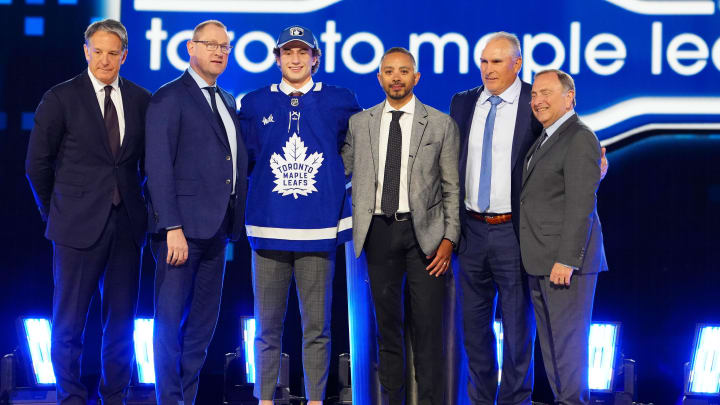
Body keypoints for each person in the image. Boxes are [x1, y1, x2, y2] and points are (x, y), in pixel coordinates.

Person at [449, 32, 608, 405]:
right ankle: (481, 398)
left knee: (521, 329)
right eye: (484, 62)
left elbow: (570, 159)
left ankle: (515, 400)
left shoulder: (533, 106)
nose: (488, 70)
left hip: (516, 233)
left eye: (497, 62)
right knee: (474, 329)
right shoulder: (462, 103)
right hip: (471, 231)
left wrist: (596, 169)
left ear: (517, 64)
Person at [25, 19, 150, 405]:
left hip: (126, 227)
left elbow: (147, 166)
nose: (105, 60)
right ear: (86, 51)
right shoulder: (60, 98)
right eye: (98, 51)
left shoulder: (142, 100)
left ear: (124, 56)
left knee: (121, 326)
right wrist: (57, 213)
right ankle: (72, 398)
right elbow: (36, 166)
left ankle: (115, 396)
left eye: (113, 53)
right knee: (68, 325)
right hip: (74, 227)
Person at [238, 25, 360, 405]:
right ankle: (265, 399)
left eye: (302, 52)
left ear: (315, 59)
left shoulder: (340, 101)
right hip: (268, 229)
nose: (295, 58)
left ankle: (315, 399)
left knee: (317, 328)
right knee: (267, 326)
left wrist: (336, 178)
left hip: (317, 231)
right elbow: (245, 158)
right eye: (287, 52)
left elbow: (356, 143)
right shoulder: (256, 103)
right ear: (276, 58)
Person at [341, 47, 460, 405]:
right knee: (387, 332)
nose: (396, 77)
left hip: (426, 239)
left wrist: (449, 238)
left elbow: (453, 187)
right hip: (378, 234)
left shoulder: (440, 124)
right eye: (389, 71)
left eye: (403, 71)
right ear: (379, 78)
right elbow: (337, 171)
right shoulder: (359, 124)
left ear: (416, 77)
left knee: (428, 333)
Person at [144, 20, 248, 405]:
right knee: (169, 325)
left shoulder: (226, 100)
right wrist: (171, 226)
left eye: (225, 46)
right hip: (180, 233)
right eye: (211, 45)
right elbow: (157, 166)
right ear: (191, 48)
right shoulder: (169, 98)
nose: (219, 52)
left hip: (218, 231)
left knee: (202, 327)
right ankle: (168, 400)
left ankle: (185, 399)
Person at [520, 69, 607, 405]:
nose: (538, 100)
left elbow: (581, 205)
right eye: (534, 94)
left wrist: (567, 260)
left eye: (546, 93)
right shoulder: (547, 137)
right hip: (541, 259)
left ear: (569, 97)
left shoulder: (580, 136)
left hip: (565, 262)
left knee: (568, 355)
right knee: (554, 353)